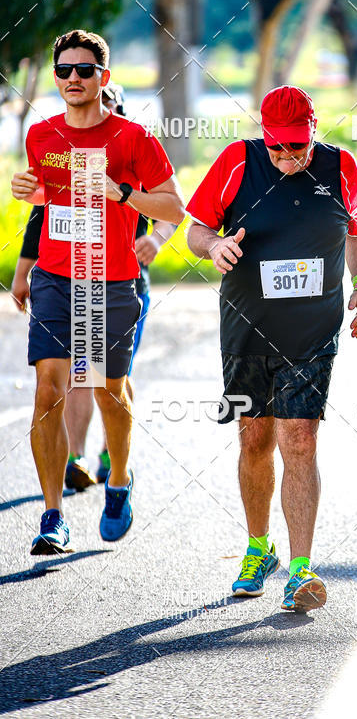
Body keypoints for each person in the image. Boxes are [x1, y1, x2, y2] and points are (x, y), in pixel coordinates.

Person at [186, 85, 357, 613]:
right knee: (255, 439)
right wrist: (214, 245)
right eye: (278, 149)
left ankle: (300, 570)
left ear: (314, 132)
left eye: (298, 147)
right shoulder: (236, 162)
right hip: (247, 327)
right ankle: (257, 547)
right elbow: (196, 229)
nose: (288, 157)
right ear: (264, 137)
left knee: (300, 438)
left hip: (312, 330)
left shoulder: (340, 167)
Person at [11, 28, 184, 555]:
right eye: (63, 70)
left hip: (113, 280)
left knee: (110, 388)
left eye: (83, 70)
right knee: (49, 388)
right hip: (57, 279)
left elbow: (175, 207)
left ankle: (119, 479)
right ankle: (52, 516)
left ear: (103, 77)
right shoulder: (41, 137)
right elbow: (50, 199)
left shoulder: (133, 140)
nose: (71, 79)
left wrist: (125, 194)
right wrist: (31, 192)